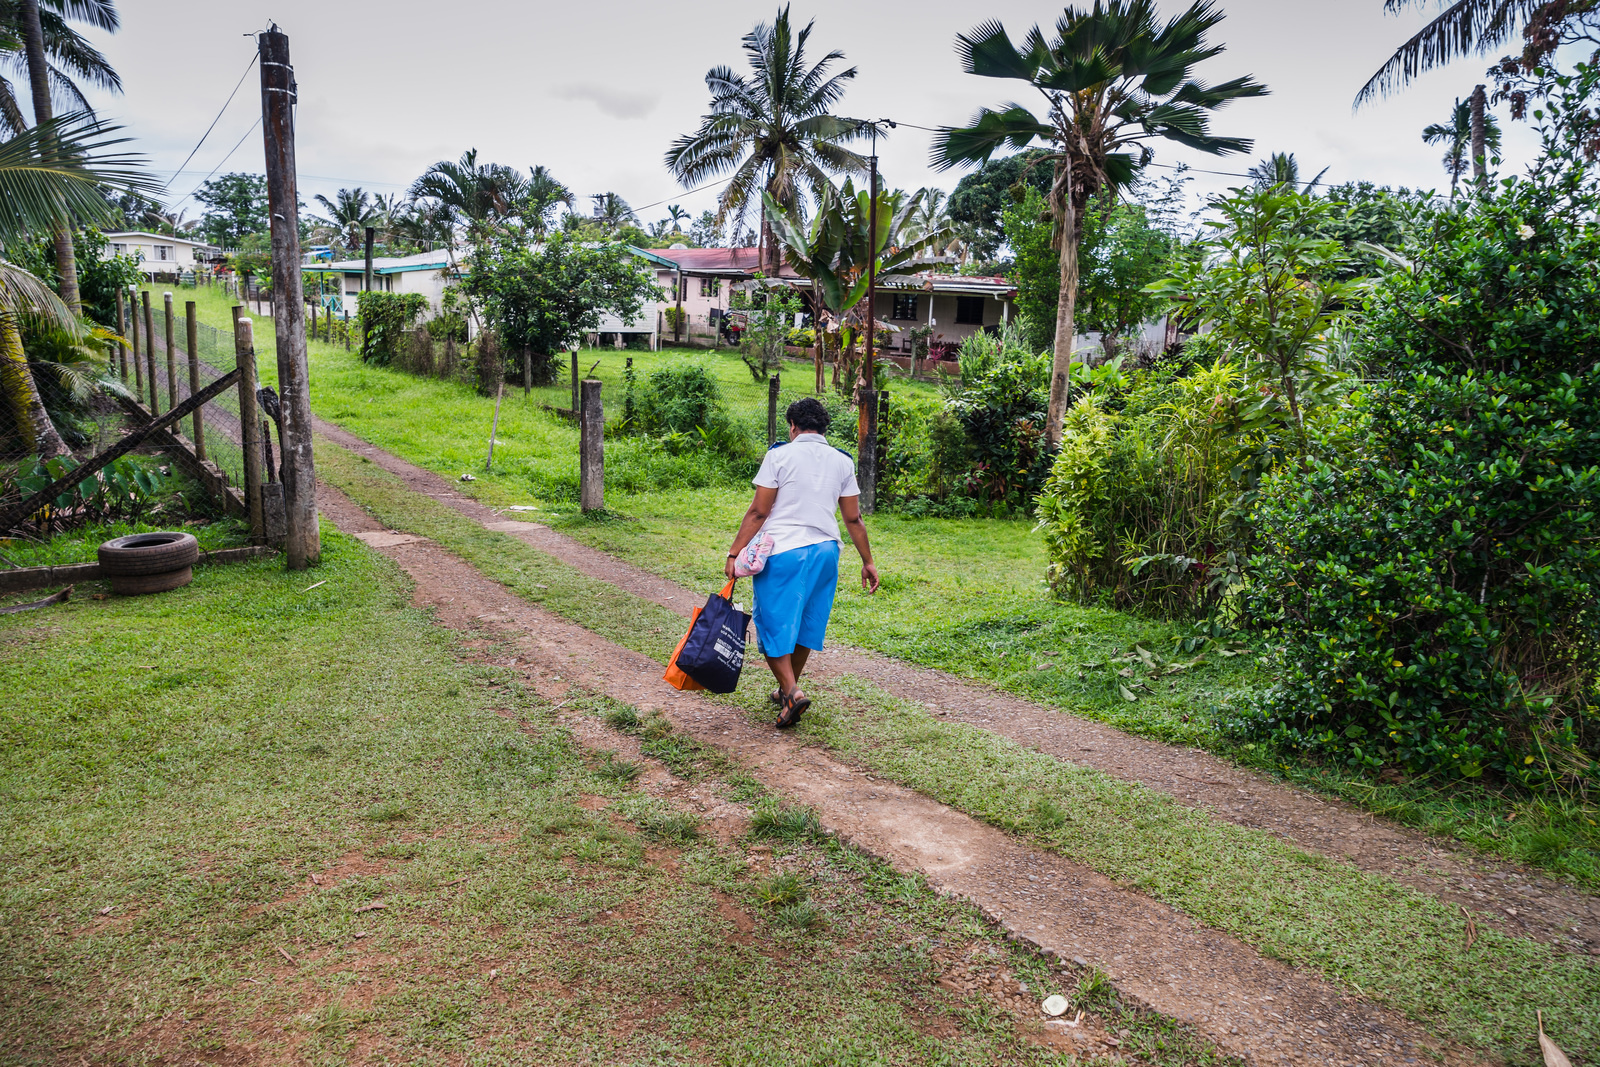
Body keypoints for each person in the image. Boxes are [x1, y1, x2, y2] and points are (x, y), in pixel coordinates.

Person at [726, 397, 879, 729]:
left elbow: (758, 511)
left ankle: (792, 692)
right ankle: (786, 688)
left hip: (784, 551)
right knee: (808, 623)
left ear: (792, 427)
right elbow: (853, 519)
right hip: (826, 552)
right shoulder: (842, 461)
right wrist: (868, 561)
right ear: (824, 428)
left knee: (771, 623)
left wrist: (734, 552)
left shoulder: (779, 455)